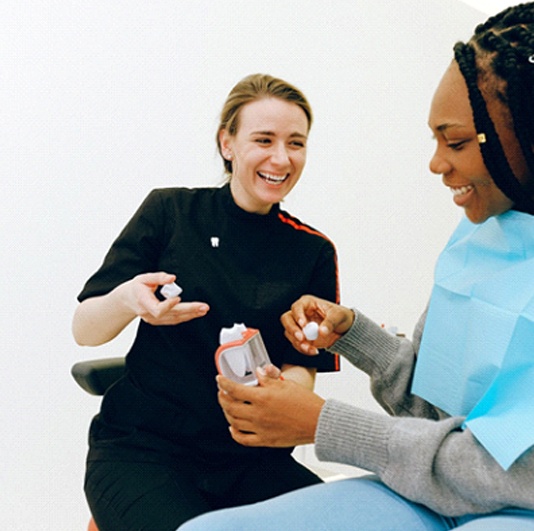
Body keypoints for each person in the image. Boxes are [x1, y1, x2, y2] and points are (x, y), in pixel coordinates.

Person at [179, 4, 534, 530]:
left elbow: (514, 474)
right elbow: (437, 415)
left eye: (456, 141)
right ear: (226, 144)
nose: (436, 163)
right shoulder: (486, 240)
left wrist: (325, 425)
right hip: (439, 493)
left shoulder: (310, 247)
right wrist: (354, 335)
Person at [72, 73, 340, 530]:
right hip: (143, 452)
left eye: (296, 143)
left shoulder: (312, 250)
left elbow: (302, 370)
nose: (281, 158)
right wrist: (128, 299)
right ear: (227, 143)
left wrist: (283, 387)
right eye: (264, 139)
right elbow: (85, 330)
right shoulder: (170, 213)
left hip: (251, 461)